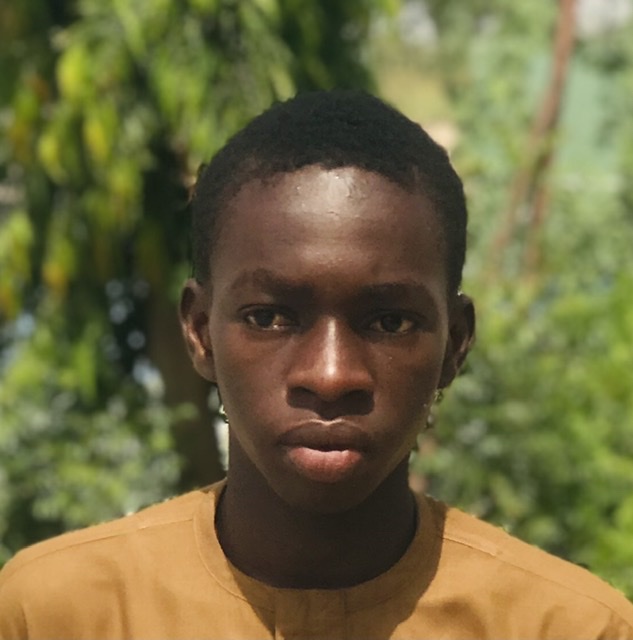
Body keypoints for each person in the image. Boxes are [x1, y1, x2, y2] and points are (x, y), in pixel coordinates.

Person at [1, 90, 632, 639]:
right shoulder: (54, 614)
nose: (331, 376)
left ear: (455, 344)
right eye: (269, 317)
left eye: (389, 322)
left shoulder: (569, 627)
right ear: (199, 332)